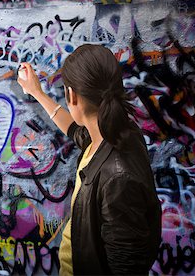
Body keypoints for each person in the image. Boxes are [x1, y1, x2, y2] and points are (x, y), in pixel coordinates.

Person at [17, 44, 162, 275]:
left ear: (71, 95)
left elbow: (126, 267)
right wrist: (37, 93)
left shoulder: (117, 176)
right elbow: (76, 130)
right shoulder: (113, 133)